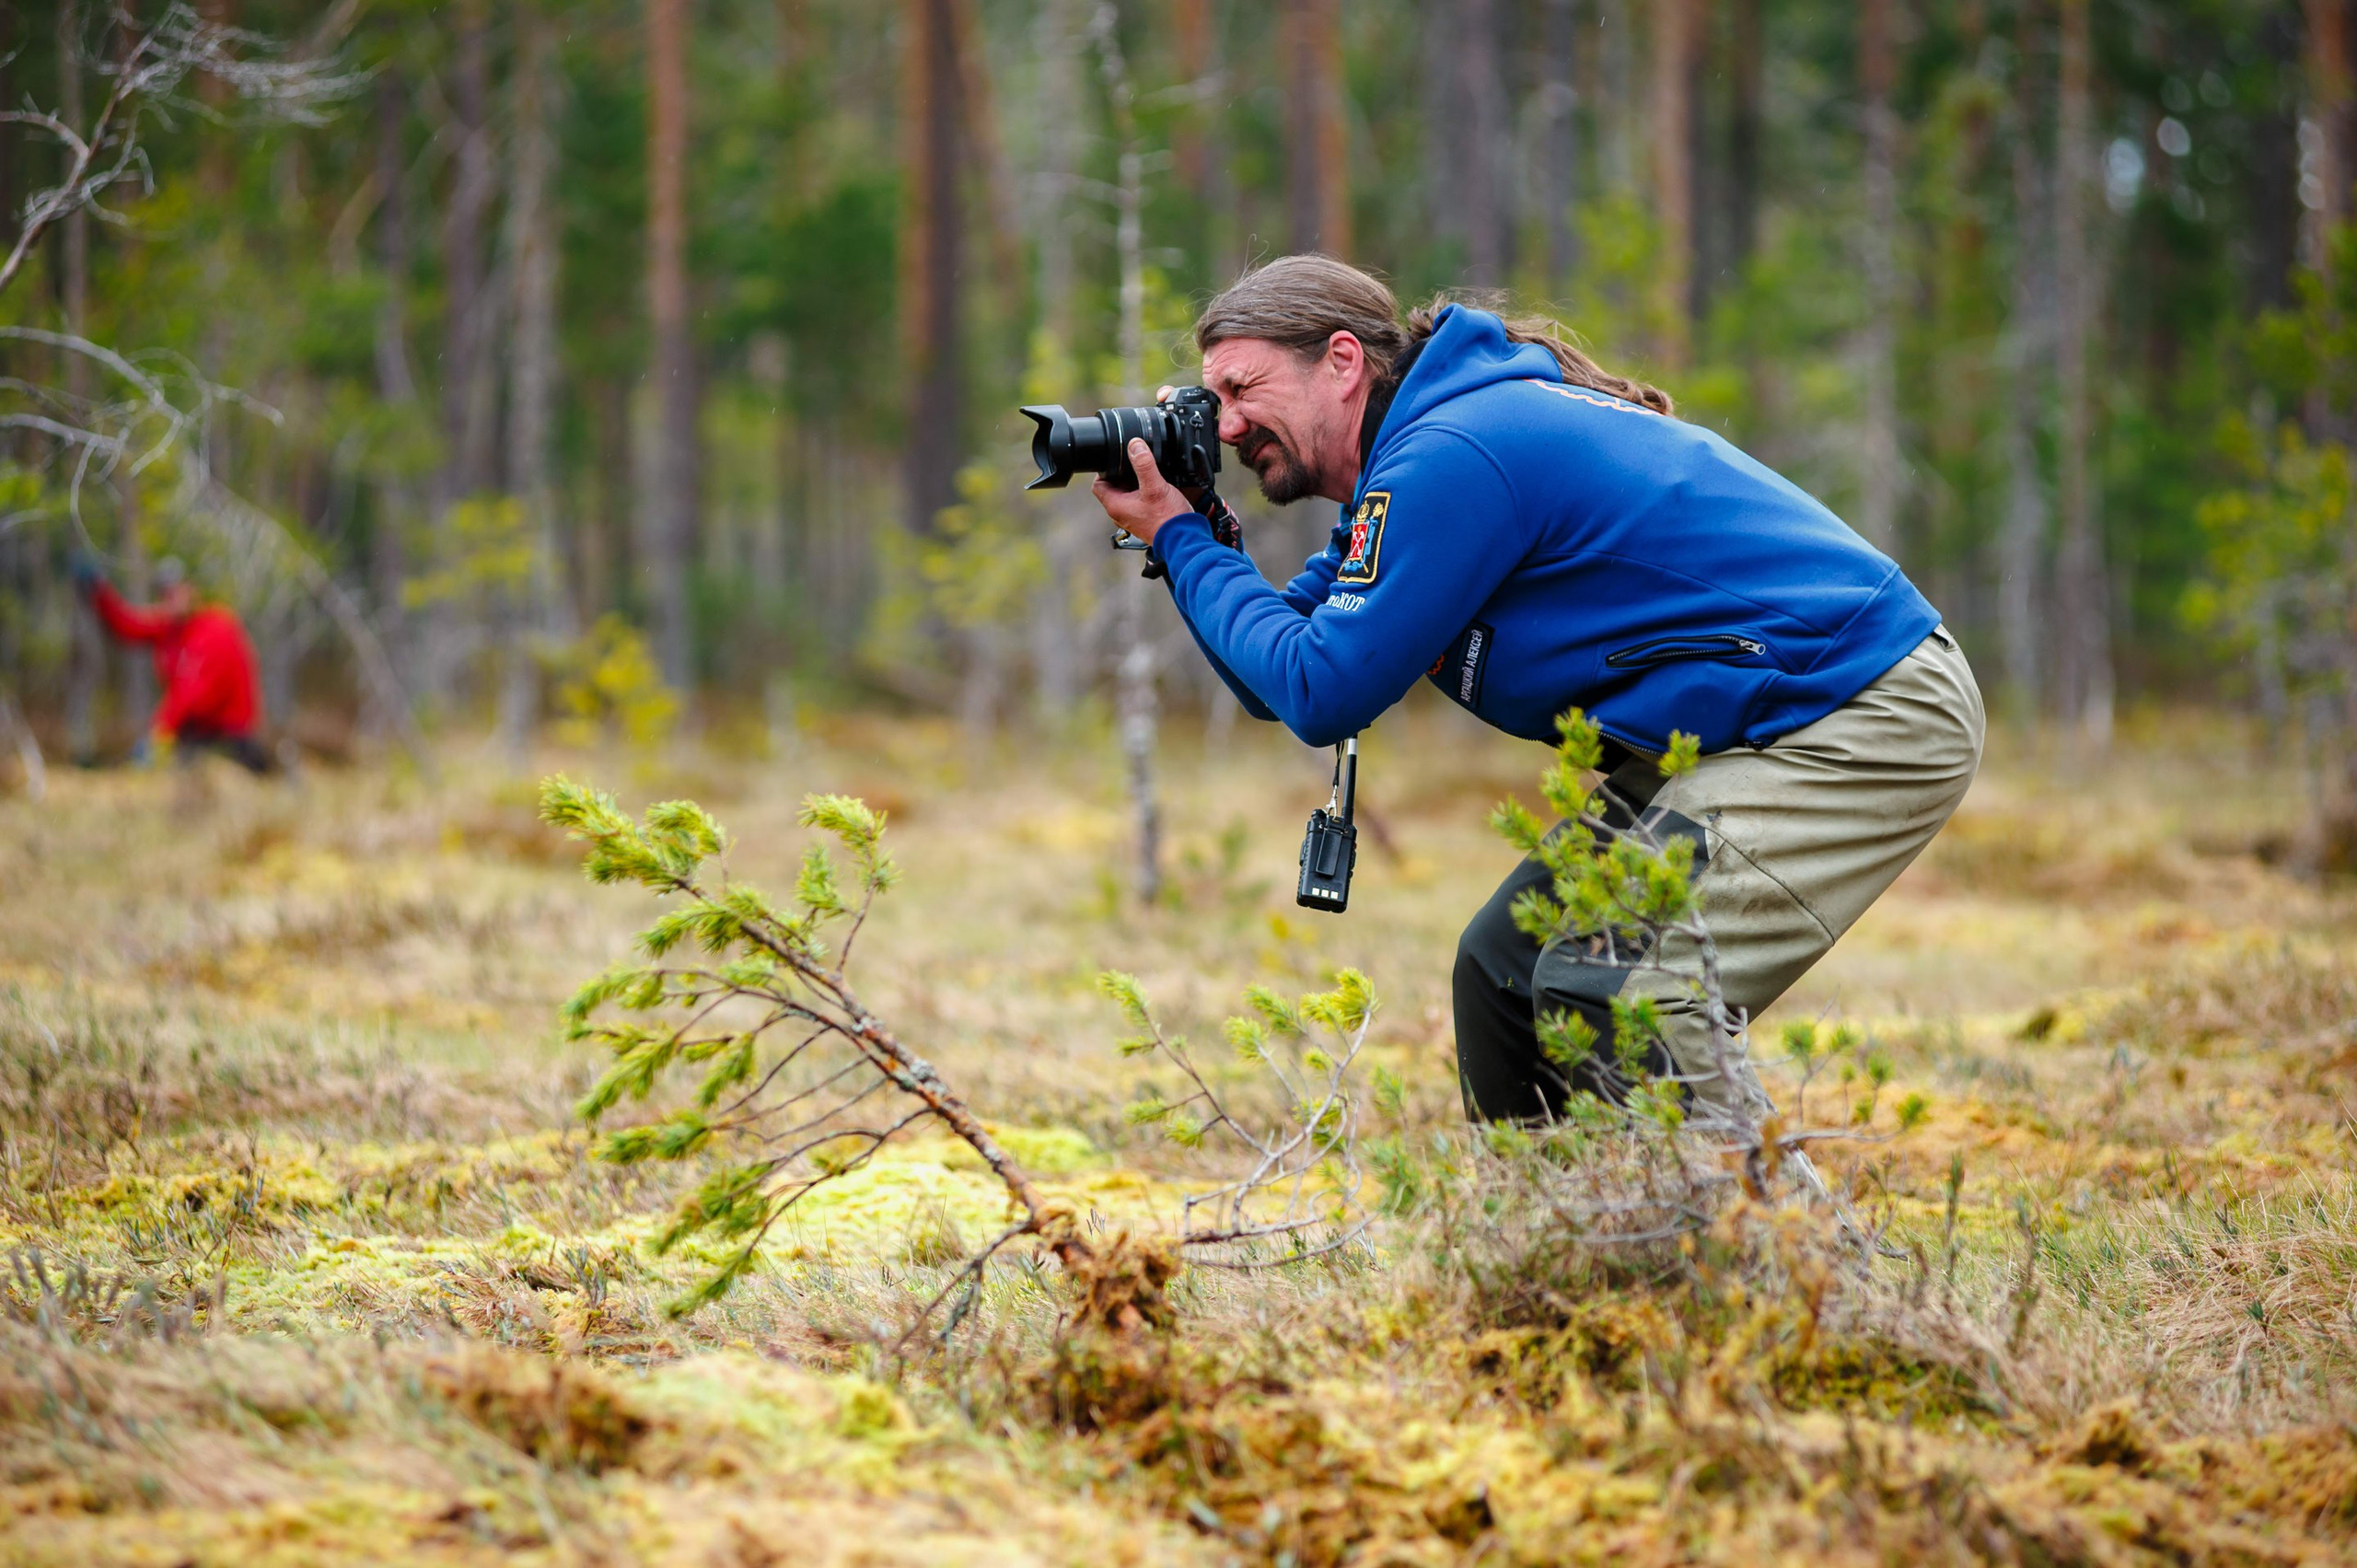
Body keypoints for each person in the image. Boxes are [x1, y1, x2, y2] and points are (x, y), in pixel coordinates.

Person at [1088, 255, 1983, 1124]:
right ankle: (1554, 1254)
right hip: (1765, 715)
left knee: (1627, 988)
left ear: (1342, 361)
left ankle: (1766, 1256)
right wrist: (1194, 529)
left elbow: (1321, 689)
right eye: (1212, 401)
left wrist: (1179, 537)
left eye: (1241, 391)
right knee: (1505, 971)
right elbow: (1278, 674)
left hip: (1859, 705)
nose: (1228, 424)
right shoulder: (1415, 460)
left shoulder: (1452, 454)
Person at [72, 555, 272, 774]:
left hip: (231, 736)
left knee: (222, 782)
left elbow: (191, 693)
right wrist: (99, 590)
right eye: (165, 592)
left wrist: (157, 736)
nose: (172, 598)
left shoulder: (217, 628)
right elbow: (128, 626)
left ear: (192, 589)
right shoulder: (171, 625)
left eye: (177, 590)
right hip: (196, 732)